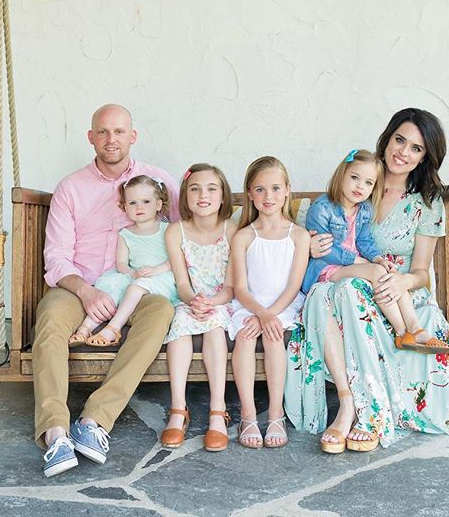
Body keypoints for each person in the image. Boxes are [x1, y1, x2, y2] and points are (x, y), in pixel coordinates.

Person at [285, 108, 449, 454]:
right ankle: (355, 407)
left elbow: (422, 273)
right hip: (346, 285)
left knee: (348, 290)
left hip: (396, 292)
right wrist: (308, 246)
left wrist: (402, 282)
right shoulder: (361, 181)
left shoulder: (426, 202)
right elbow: (322, 234)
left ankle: (365, 407)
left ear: (424, 157)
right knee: (340, 290)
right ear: (387, 139)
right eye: (399, 140)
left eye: (416, 148)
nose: (403, 152)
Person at [34, 104, 179, 477]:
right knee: (50, 317)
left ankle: (95, 420)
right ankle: (55, 432)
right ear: (91, 137)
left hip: (139, 286)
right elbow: (57, 257)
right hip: (80, 285)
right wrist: (86, 292)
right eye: (102, 131)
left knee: (161, 311)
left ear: (133, 136)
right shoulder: (71, 188)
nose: (111, 139)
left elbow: (184, 235)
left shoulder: (158, 181)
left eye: (119, 131)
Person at [302, 149, 449, 367]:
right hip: (325, 269)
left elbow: (365, 241)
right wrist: (360, 261)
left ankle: (415, 329)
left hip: (348, 267)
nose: (360, 186)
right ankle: (402, 332)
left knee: (390, 273)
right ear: (341, 175)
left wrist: (379, 259)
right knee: (376, 272)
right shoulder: (322, 208)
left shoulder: (363, 210)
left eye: (368, 183)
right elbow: (327, 250)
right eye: (354, 178)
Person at [229, 156, 309, 449]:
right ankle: (248, 415)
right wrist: (259, 313)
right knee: (245, 338)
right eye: (260, 189)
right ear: (250, 194)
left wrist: (268, 315)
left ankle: (276, 414)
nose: (268, 196)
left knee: (274, 338)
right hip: (250, 305)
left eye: (275, 188)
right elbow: (240, 287)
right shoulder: (243, 236)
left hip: (283, 305)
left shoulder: (298, 236)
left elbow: (293, 286)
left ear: (287, 190)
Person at [161, 164, 237, 452]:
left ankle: (218, 410)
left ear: (223, 196)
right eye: (195, 189)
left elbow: (231, 286)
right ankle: (178, 409)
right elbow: (182, 282)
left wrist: (212, 302)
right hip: (189, 300)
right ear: (185, 196)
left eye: (211, 189)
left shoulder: (232, 229)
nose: (203, 195)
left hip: (222, 300)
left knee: (215, 327)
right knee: (179, 326)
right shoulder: (175, 232)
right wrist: (194, 300)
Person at [69, 176, 179, 348]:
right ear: (125, 207)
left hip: (163, 276)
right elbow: (121, 263)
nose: (139, 207)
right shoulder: (125, 234)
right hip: (136, 275)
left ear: (158, 204)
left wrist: (156, 270)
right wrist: (131, 273)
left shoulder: (169, 229)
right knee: (111, 289)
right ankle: (85, 329)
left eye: (146, 201)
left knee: (136, 287)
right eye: (133, 203)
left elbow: (178, 259)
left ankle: (113, 329)